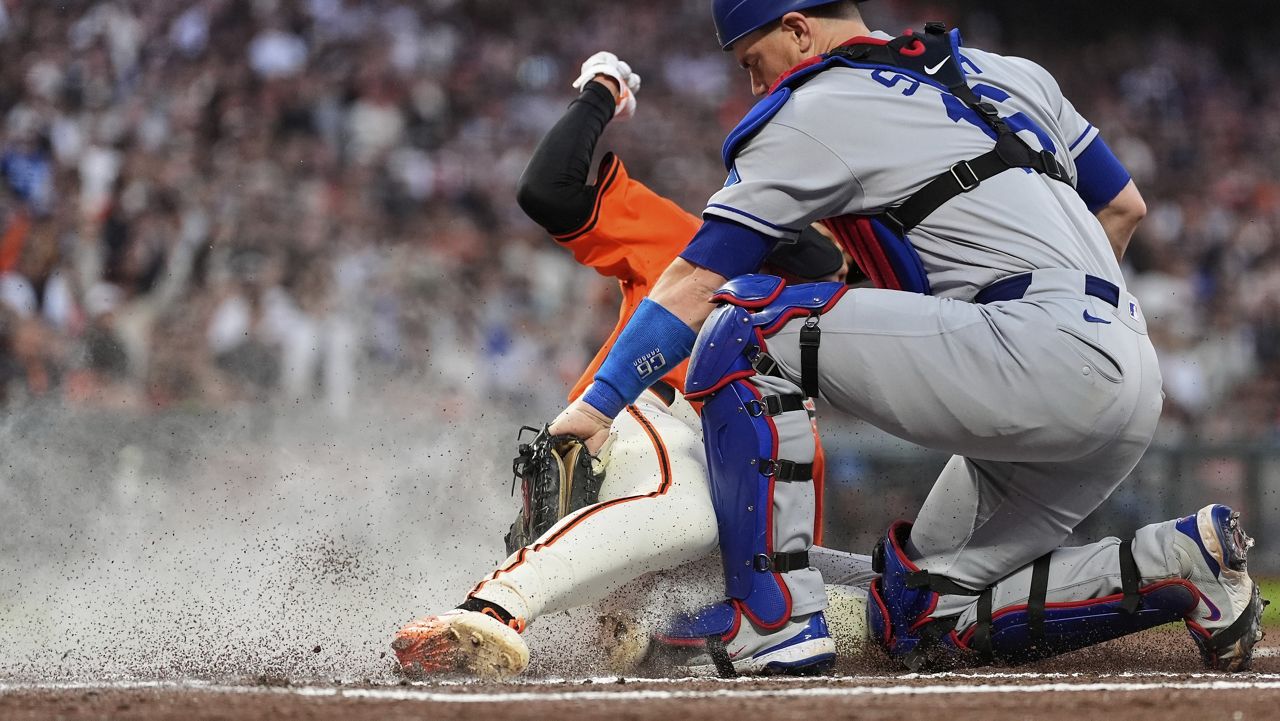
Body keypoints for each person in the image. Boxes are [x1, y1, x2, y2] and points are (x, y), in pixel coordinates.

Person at [547, 0, 1266, 673]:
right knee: (919, 615)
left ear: (799, 31)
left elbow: (698, 286)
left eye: (751, 58)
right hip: (1126, 364)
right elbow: (1124, 207)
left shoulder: (814, 106)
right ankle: (1179, 562)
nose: (752, 79)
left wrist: (597, 404)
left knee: (745, 325)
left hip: (1035, 345)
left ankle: (771, 619)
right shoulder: (1009, 73)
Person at [391, 52, 869, 678]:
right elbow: (548, 191)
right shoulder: (704, 246)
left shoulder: (856, 319)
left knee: (871, 597)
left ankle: (647, 637)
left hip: (697, 537)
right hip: (638, 425)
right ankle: (490, 608)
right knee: (689, 510)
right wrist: (600, 92)